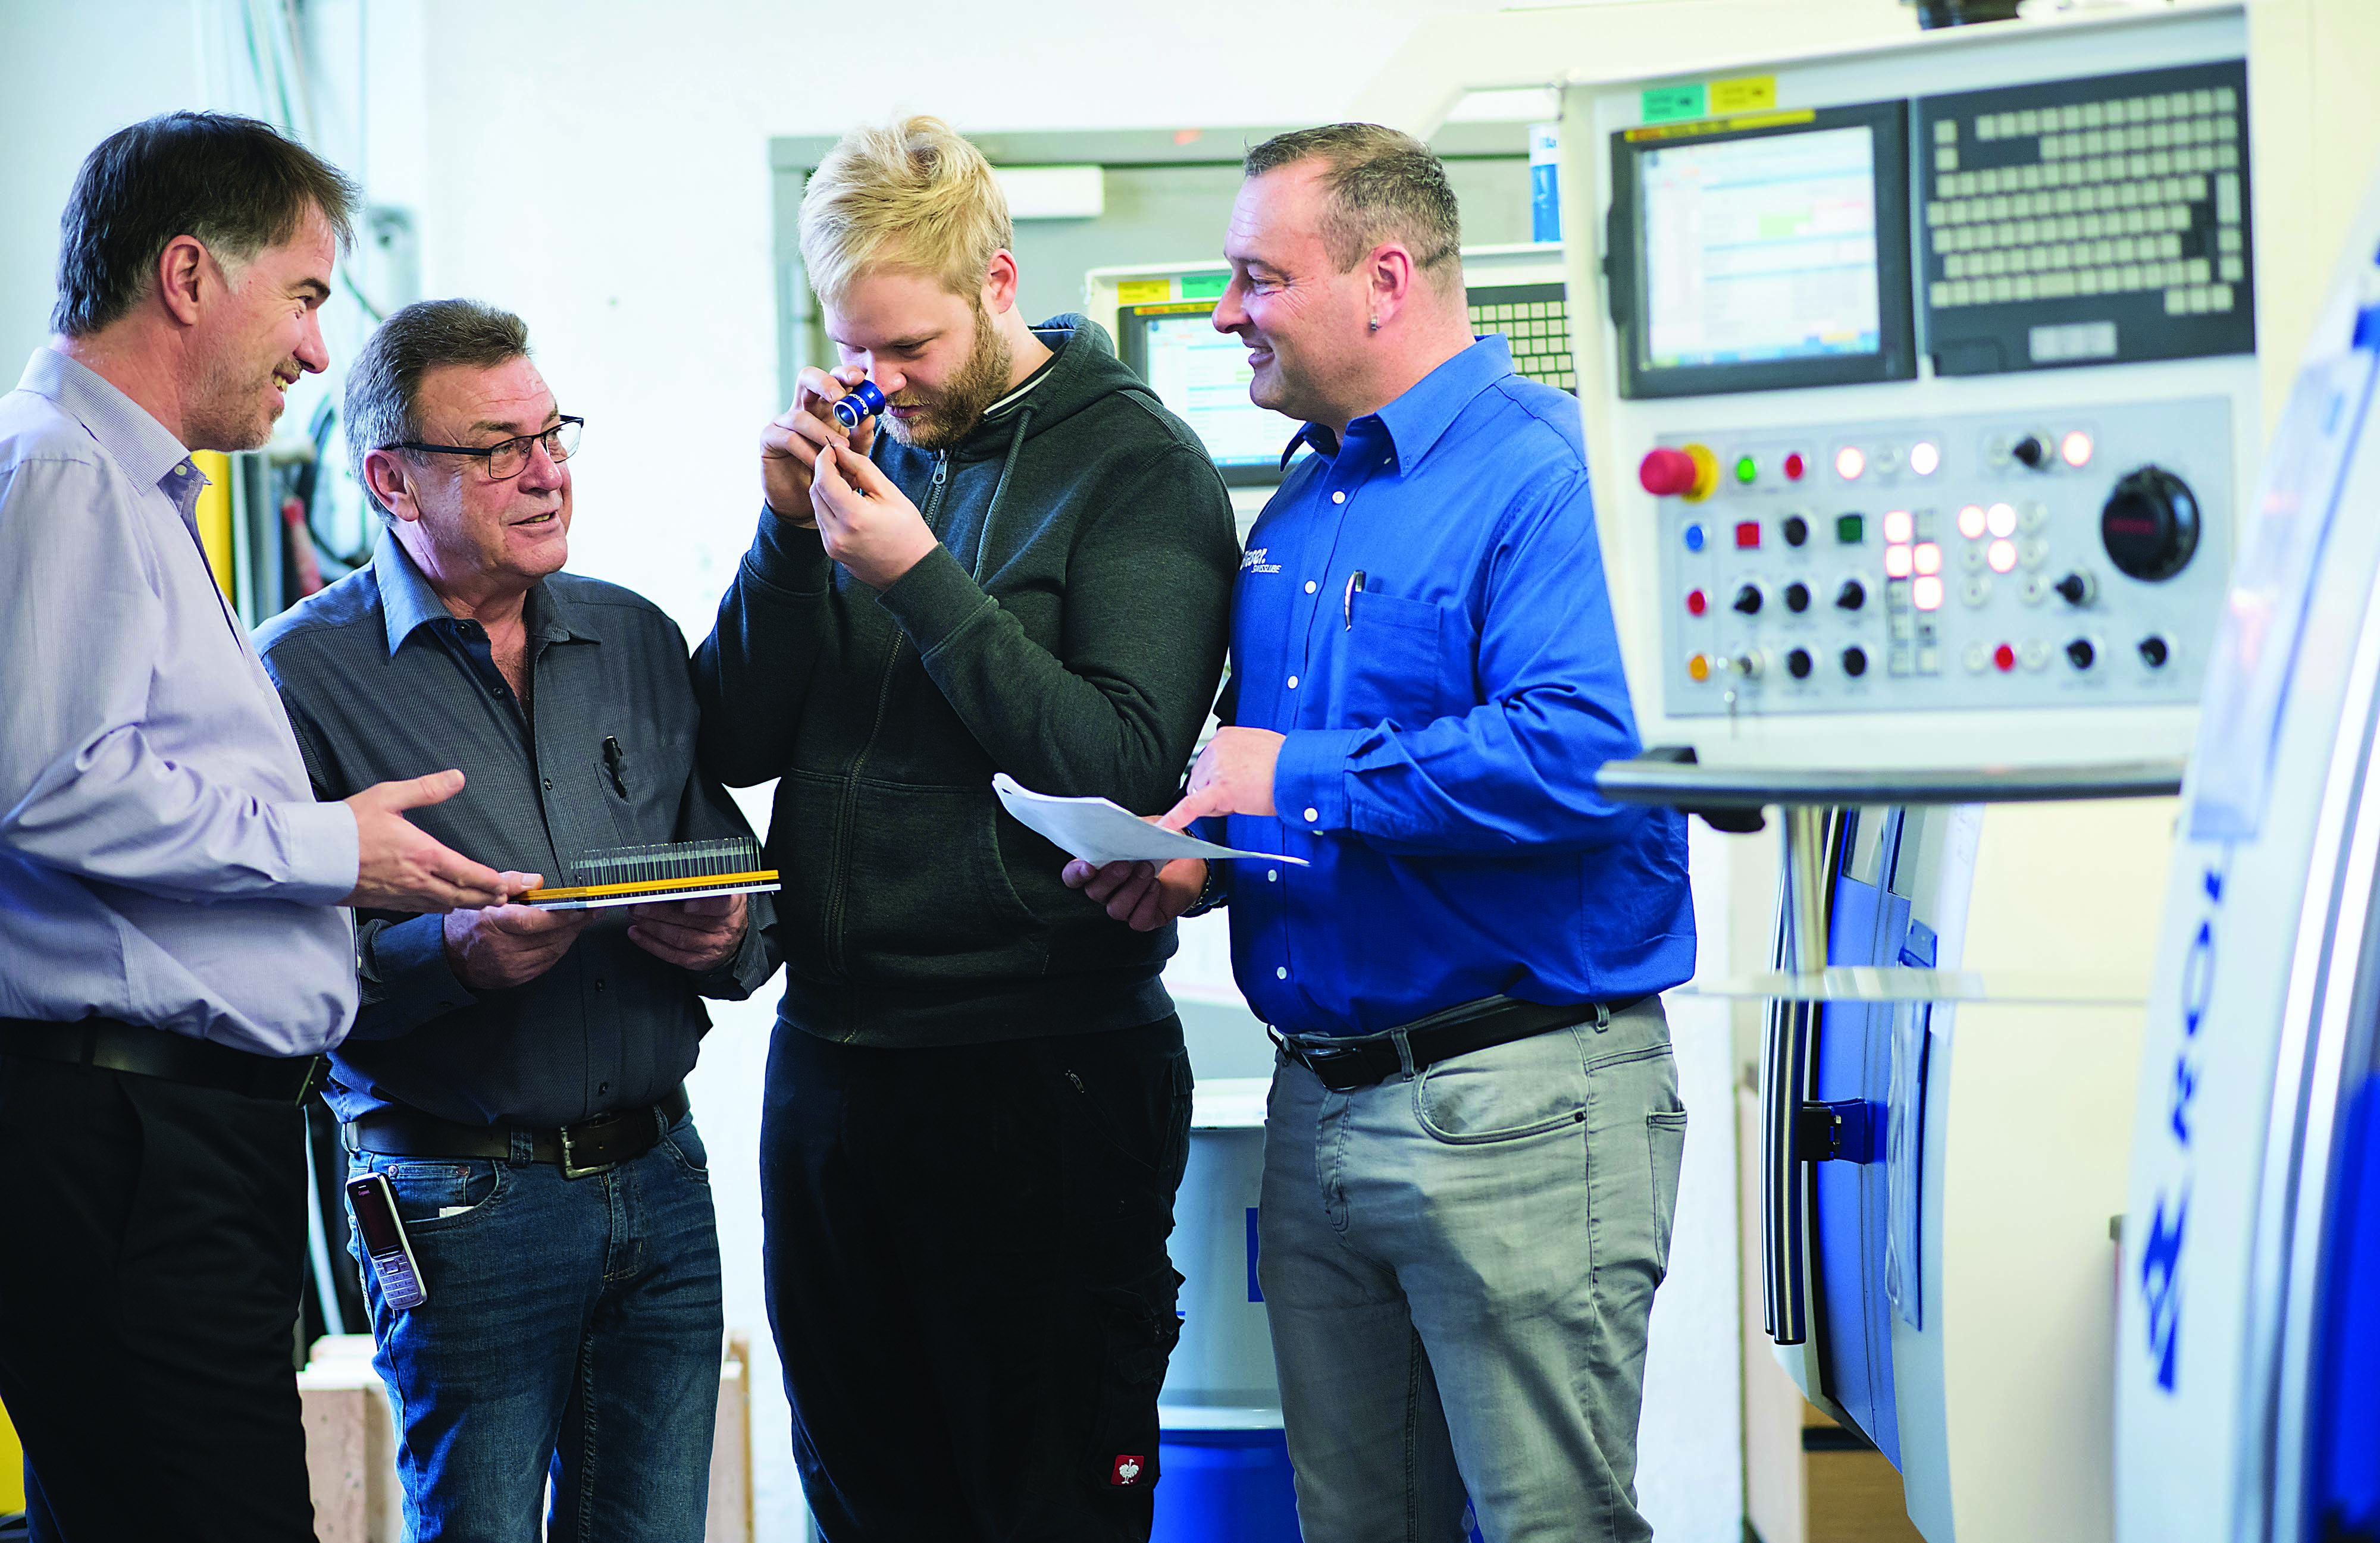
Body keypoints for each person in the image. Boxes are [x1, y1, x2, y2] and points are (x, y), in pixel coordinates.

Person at [1064, 124, 1697, 1543]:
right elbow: (1269, 777)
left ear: (1384, 277)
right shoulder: (1300, 501)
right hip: (1325, 1104)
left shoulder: (1545, 478)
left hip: (1520, 1102)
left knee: (1550, 1526)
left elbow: (1588, 755)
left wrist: (1293, 774)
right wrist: (1192, 857)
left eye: (1254, 278)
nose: (1225, 313)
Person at [692, 115, 1239, 1541]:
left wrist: (923, 579)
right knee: (864, 1495)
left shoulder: (1137, 468)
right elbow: (736, 738)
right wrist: (784, 539)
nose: (879, 384)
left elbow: (1121, 768)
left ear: (998, 283)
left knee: (1041, 1497)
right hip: (834, 1063)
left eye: (910, 349)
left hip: (1037, 1072)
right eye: (853, 350)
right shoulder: (872, 446)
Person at [0, 114, 521, 1542]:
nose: (310, 350)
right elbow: (53, 783)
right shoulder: (64, 476)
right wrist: (330, 848)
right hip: (126, 1140)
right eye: (300, 298)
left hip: (173, 1137)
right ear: (185, 276)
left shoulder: (133, 488)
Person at [253, 298, 778, 1540]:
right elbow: (270, 986)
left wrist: (730, 940)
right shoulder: (292, 679)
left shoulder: (635, 637)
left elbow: (733, 876)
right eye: (497, 449)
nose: (545, 475)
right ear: (390, 479)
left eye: (553, 436)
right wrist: (458, 957)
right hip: (455, 1202)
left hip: (661, 1179)